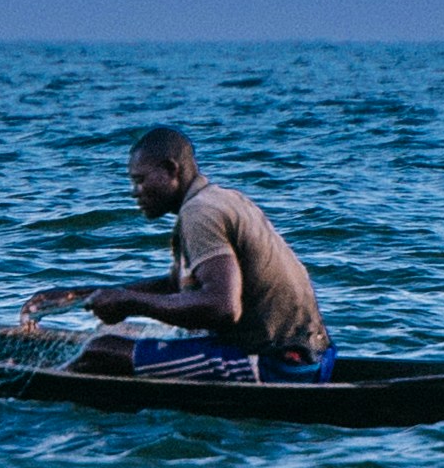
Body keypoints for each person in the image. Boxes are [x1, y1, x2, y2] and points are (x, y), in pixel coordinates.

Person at [21, 126, 335, 381]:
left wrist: (129, 303)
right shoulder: (221, 200)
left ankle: (38, 395)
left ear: (171, 170)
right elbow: (177, 285)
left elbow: (223, 307)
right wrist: (79, 294)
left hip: (279, 366)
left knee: (98, 351)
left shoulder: (200, 213)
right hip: (318, 357)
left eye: (140, 180)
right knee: (121, 336)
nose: (135, 192)